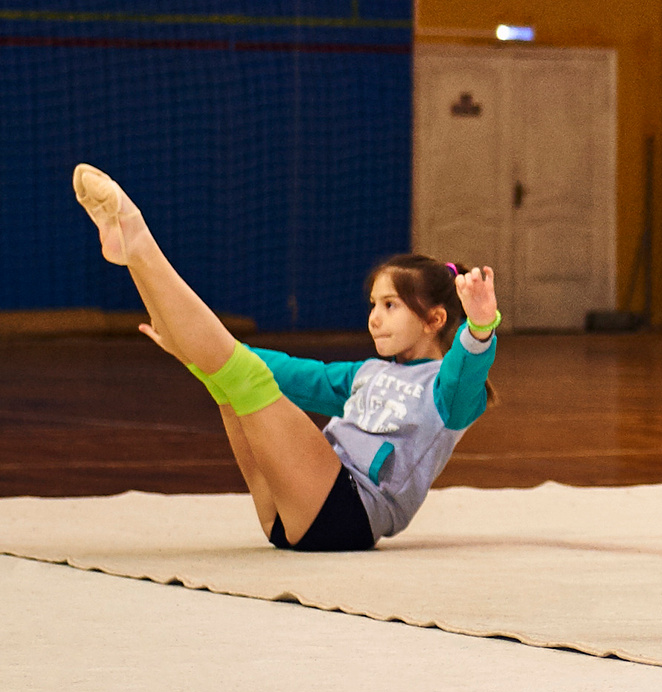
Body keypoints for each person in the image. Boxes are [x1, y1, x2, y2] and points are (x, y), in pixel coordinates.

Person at [70, 165, 499, 550]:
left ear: (433, 319)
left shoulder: (449, 393)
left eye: (391, 305)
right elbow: (290, 372)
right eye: (373, 305)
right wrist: (189, 348)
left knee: (243, 374)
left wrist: (480, 326)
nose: (374, 318)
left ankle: (140, 238)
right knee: (225, 378)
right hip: (289, 514)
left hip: (350, 514)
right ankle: (133, 257)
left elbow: (467, 366)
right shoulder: (365, 374)